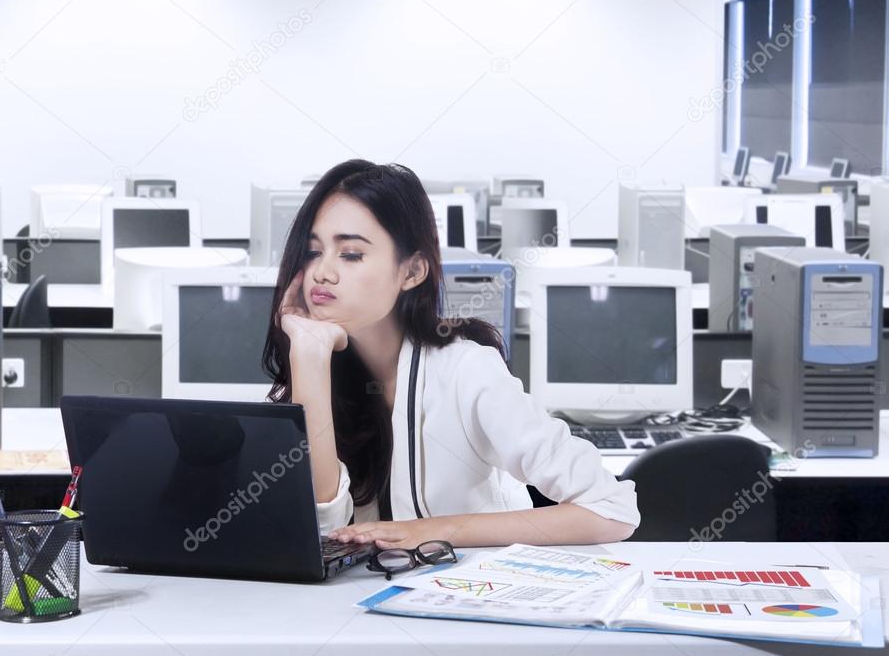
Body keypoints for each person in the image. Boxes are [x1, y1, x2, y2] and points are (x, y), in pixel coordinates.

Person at [262, 159, 639, 550]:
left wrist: (434, 530)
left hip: (475, 593)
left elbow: (612, 509)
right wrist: (307, 353)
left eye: (351, 254)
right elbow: (318, 530)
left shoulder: (467, 370)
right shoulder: (314, 372)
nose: (322, 272)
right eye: (312, 252)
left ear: (412, 272)